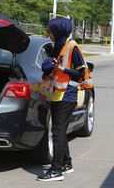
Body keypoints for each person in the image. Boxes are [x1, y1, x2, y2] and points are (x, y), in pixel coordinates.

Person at [37, 17, 93, 182]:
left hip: (68, 95)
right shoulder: (58, 47)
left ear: (58, 31)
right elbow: (51, 68)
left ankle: (56, 170)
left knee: (58, 132)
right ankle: (66, 164)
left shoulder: (72, 47)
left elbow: (82, 73)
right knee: (58, 130)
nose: (48, 35)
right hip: (57, 93)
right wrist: (50, 67)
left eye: (49, 31)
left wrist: (63, 69)